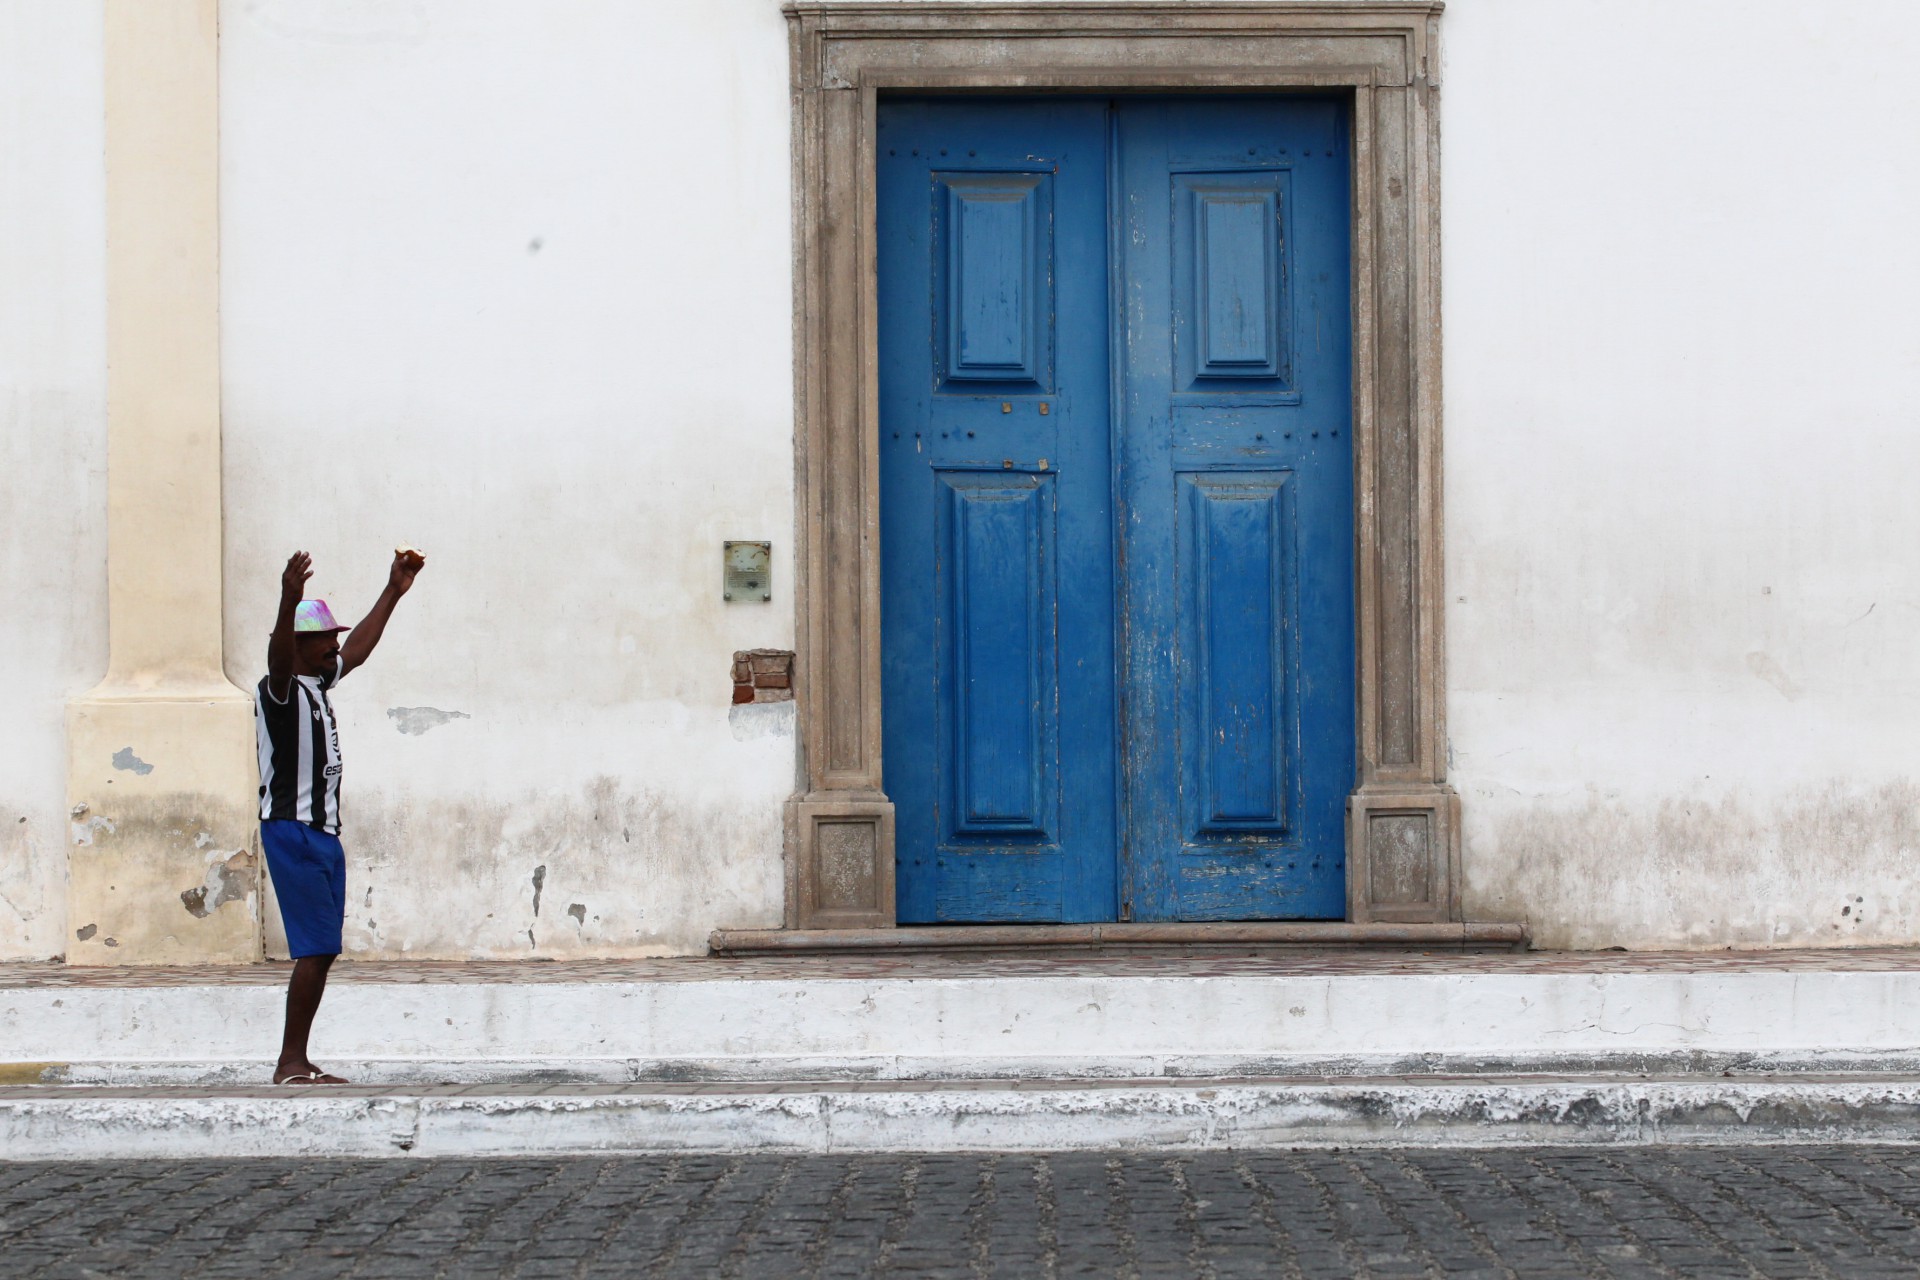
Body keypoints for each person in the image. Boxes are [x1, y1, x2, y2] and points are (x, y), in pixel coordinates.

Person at [256, 547, 424, 1084]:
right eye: (324, 639)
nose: (334, 645)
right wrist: (289, 600)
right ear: (300, 646)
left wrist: (394, 590)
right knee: (317, 947)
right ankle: (291, 1062)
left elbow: (358, 649)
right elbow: (278, 658)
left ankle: (296, 1059)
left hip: (324, 834)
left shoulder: (318, 683)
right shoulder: (279, 689)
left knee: (324, 950)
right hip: (293, 830)